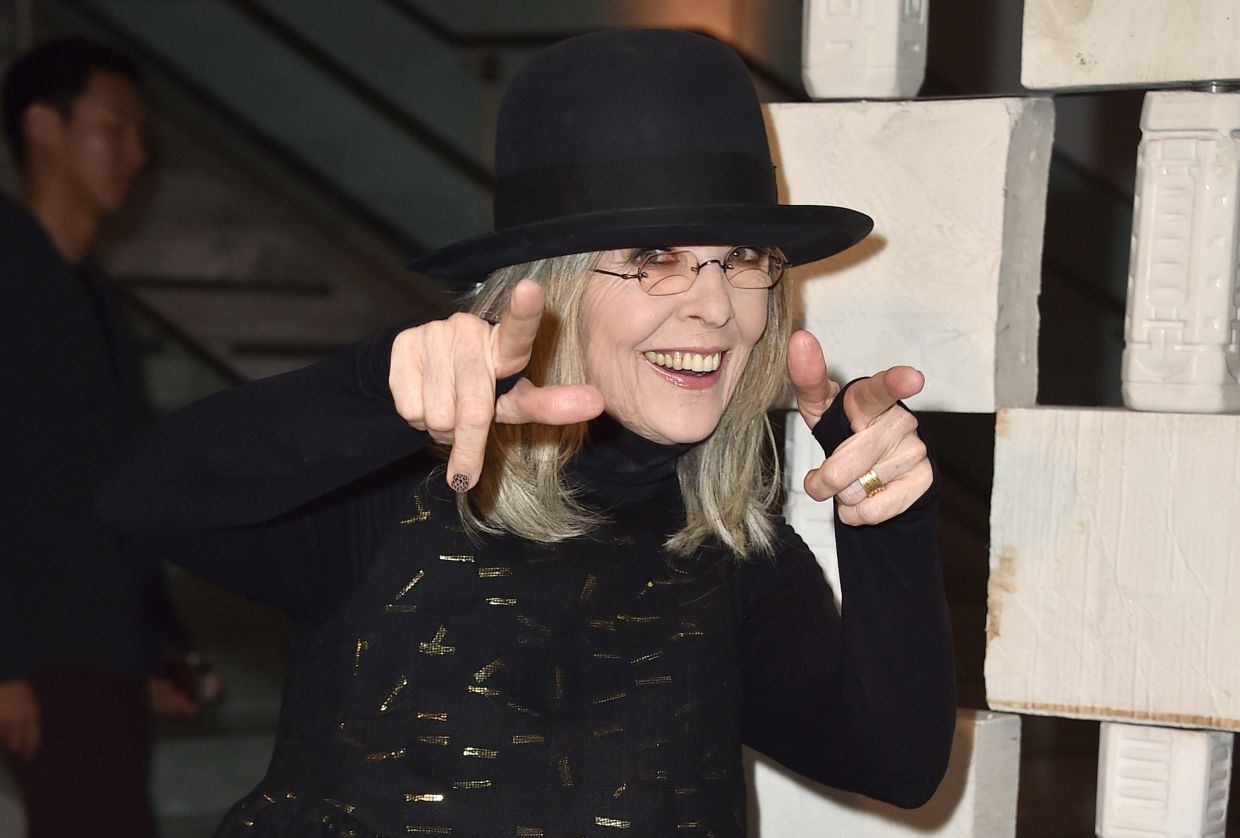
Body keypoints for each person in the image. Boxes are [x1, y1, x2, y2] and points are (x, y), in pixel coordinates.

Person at [97, 29, 955, 836]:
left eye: (741, 257)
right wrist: (375, 388)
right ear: (547, 286)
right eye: (654, 257)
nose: (716, 303)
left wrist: (887, 523)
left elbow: (895, 764)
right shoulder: (394, 489)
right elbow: (138, 494)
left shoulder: (726, 536)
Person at [0, 36, 202, 837]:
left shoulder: (87, 289)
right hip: (40, 648)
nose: (135, 152)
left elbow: (113, 484)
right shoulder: (10, 270)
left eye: (138, 132)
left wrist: (155, 642)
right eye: (113, 127)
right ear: (44, 127)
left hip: (98, 643)